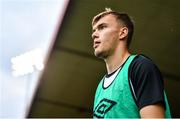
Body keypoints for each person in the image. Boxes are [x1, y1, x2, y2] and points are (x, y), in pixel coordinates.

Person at [91, 8, 171, 118]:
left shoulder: (140, 67)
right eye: (94, 30)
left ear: (122, 33)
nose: (94, 34)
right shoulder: (100, 88)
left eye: (102, 27)